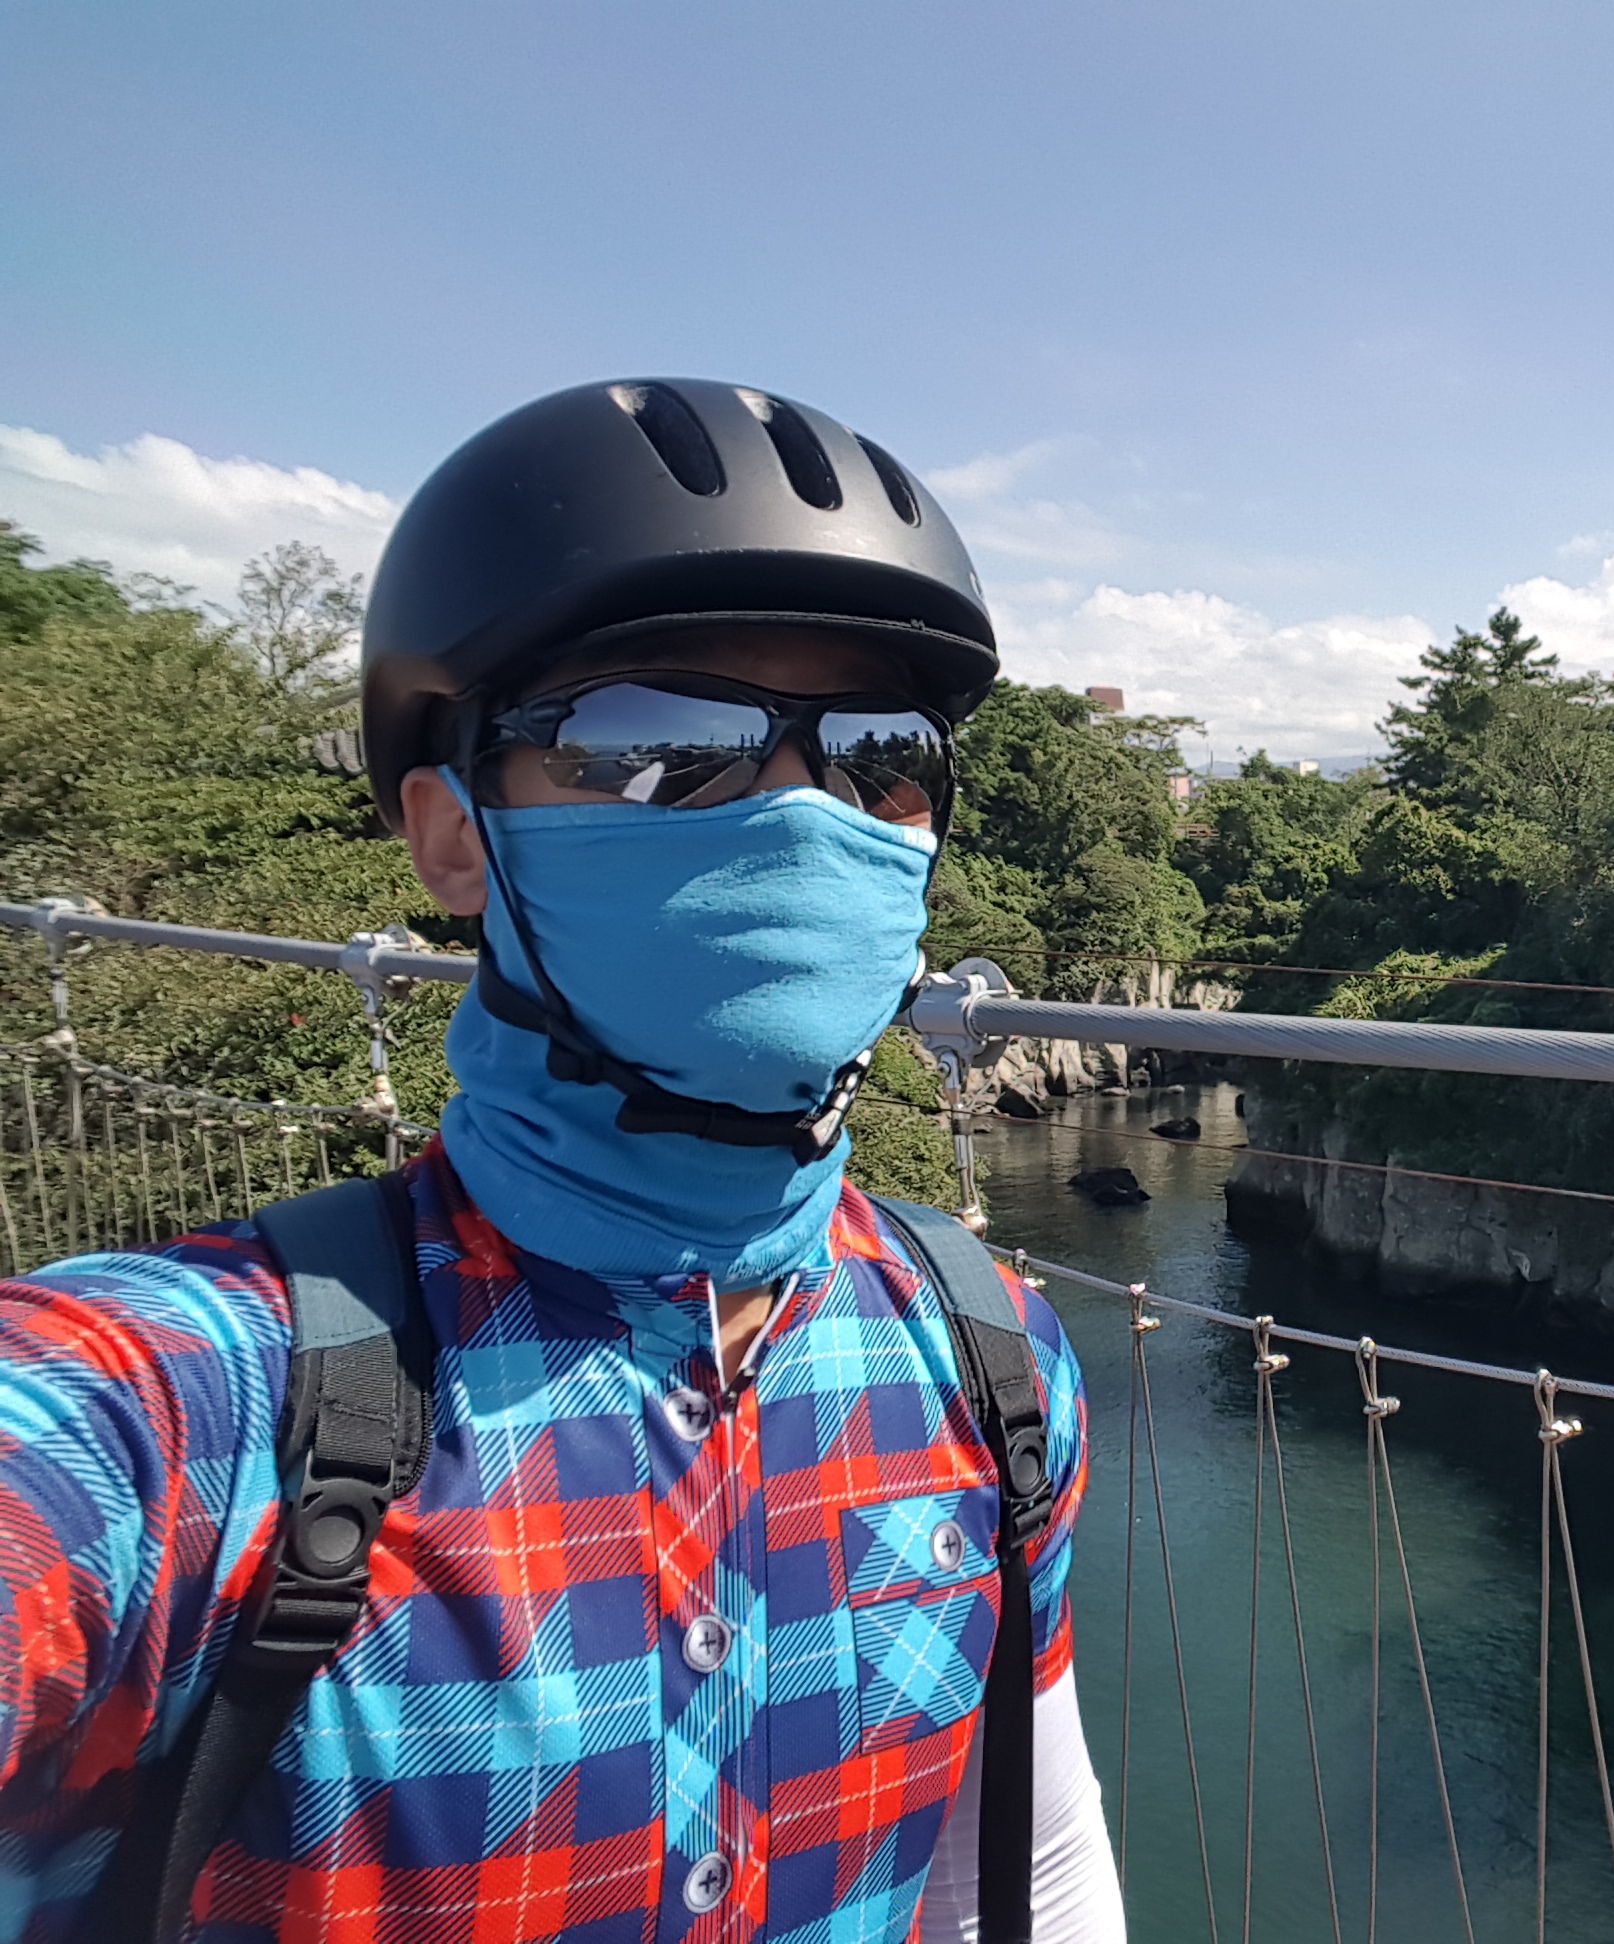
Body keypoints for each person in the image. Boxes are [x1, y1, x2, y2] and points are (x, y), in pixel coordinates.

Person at [0, 379, 1123, 1942]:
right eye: (658, 740)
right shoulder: (181, 1414)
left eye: (879, 749)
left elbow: (1028, 1867)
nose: (806, 812)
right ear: (453, 835)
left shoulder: (993, 1361)